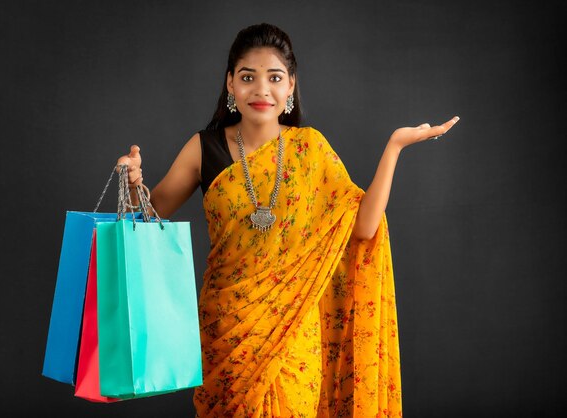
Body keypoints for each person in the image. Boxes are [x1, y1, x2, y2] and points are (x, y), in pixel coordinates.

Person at [117, 23, 459, 418]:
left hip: (293, 337)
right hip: (226, 334)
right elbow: (149, 218)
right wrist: (134, 182)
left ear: (291, 85)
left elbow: (364, 227)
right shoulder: (203, 148)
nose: (261, 89)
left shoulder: (310, 150)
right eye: (248, 77)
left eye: (274, 77)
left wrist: (395, 147)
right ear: (230, 84)